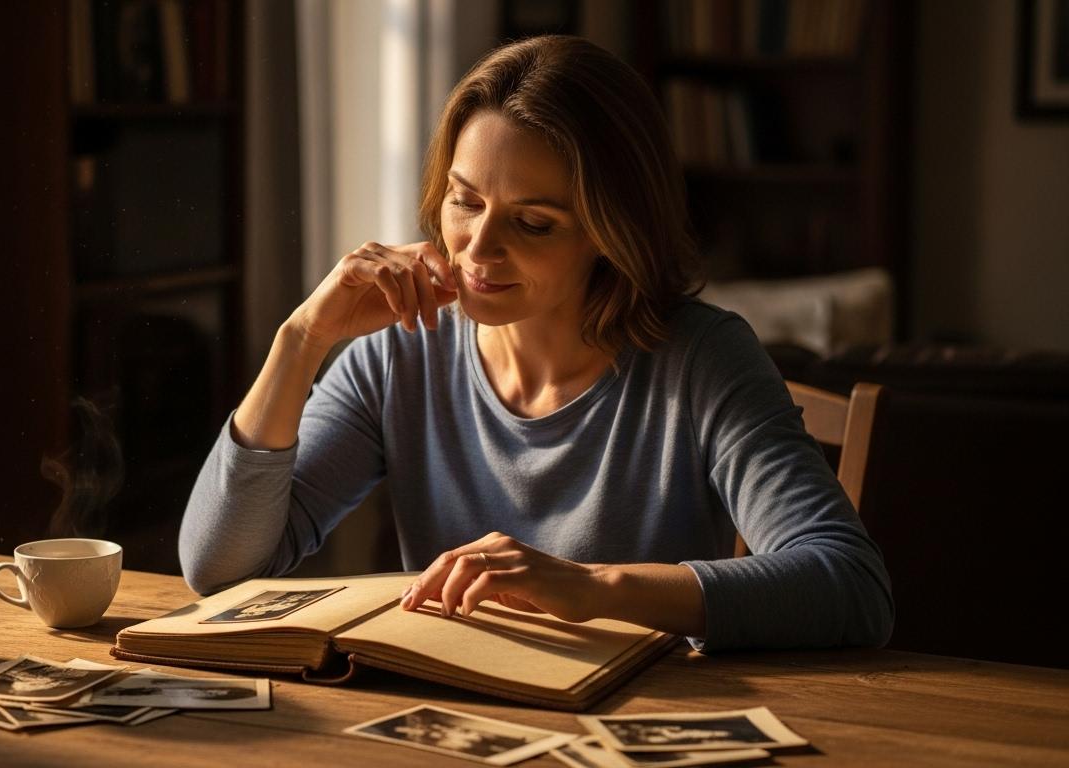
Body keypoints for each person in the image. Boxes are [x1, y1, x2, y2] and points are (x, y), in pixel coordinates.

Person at [178, 35, 892, 651]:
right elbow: (220, 570)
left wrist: (593, 588)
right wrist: (302, 338)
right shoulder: (401, 353)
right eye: (465, 200)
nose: (477, 250)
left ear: (611, 234)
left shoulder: (703, 359)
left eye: (535, 223)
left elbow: (848, 585)